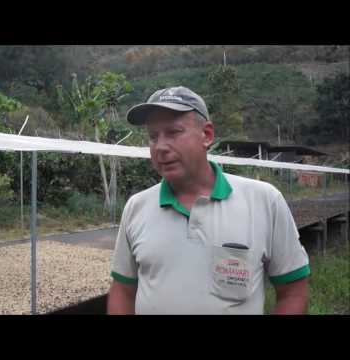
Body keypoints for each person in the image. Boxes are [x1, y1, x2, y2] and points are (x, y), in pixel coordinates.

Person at [107, 86, 310, 315]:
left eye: (173, 132)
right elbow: (123, 290)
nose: (160, 147)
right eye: (153, 137)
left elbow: (293, 292)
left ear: (207, 135)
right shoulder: (137, 207)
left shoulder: (264, 201)